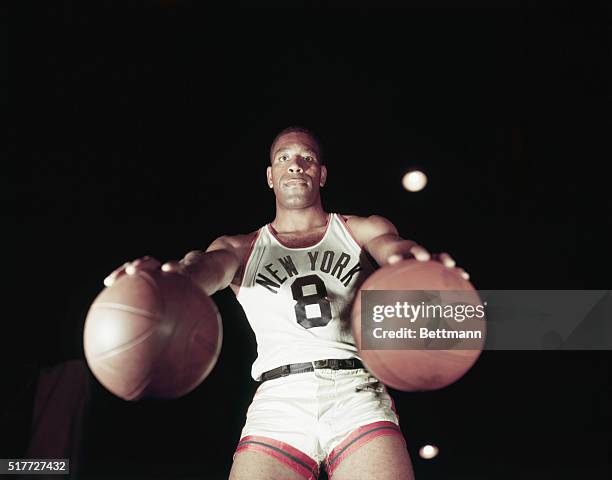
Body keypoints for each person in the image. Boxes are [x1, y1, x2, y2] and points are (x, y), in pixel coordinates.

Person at [104, 127, 469, 479]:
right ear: (270, 176)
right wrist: (167, 278)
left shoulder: (359, 230)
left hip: (357, 392)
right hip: (278, 399)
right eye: (283, 158)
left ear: (322, 174)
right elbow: (202, 268)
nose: (296, 165)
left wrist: (414, 262)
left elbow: (394, 248)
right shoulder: (241, 247)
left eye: (306, 157)